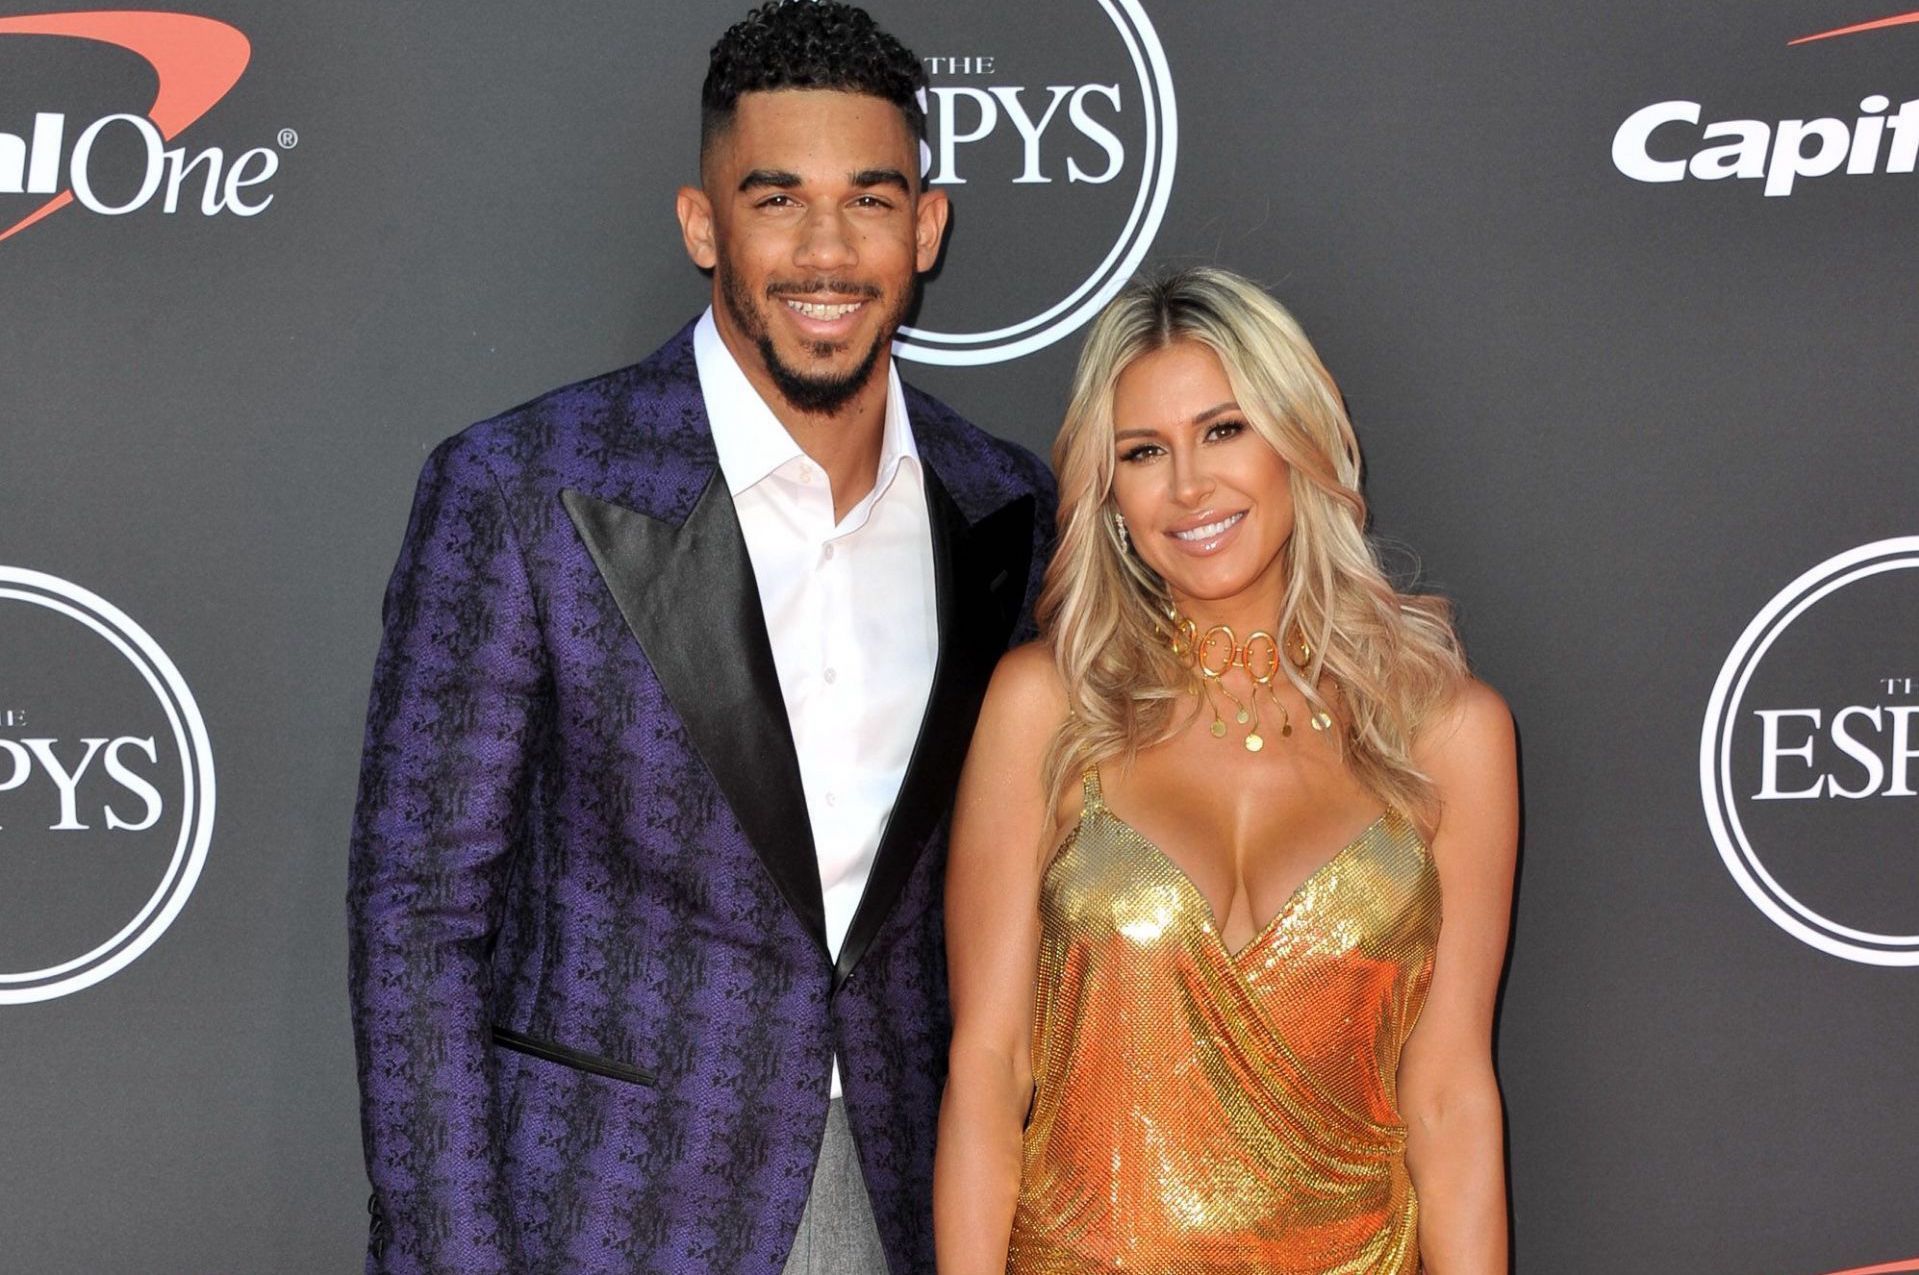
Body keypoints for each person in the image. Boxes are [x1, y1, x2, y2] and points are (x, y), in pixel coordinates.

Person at [346, 5, 1055, 1273]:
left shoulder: (1004, 505)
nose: (825, 250)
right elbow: (419, 924)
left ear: (927, 226)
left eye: (870, 200)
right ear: (702, 223)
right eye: (776, 200)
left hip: (909, 1198)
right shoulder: (522, 488)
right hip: (599, 1212)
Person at [934, 267, 1517, 1273]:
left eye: (1223, 430)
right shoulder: (1044, 708)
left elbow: (1449, 1093)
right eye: (1143, 452)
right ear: (1107, 488)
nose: (1188, 486)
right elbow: (989, 1066)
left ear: (1298, 435)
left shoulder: (1445, 731)